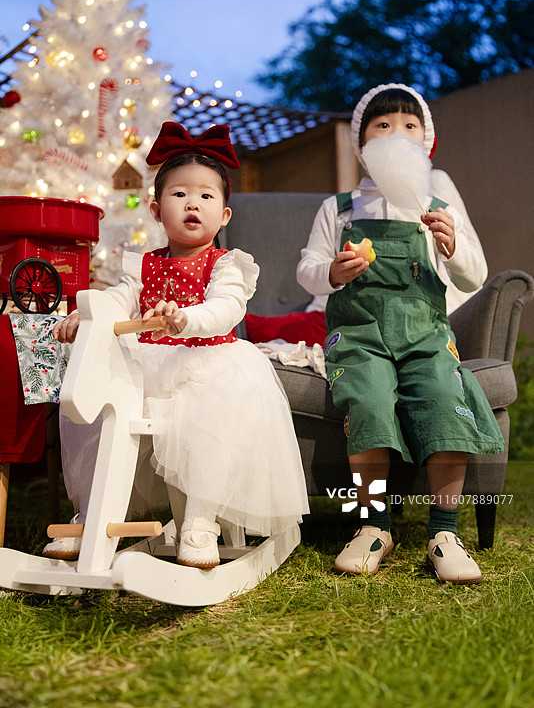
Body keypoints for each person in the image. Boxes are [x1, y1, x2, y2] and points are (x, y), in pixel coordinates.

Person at [45, 122, 309, 568]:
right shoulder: (144, 265)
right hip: (146, 363)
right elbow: (117, 298)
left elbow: (227, 309)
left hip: (208, 361)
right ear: (155, 208)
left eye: (207, 196)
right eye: (180, 194)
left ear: (224, 215)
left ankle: (201, 521)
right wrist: (85, 315)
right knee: (94, 402)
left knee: (208, 409)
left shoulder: (225, 264)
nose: (193, 203)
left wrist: (187, 319)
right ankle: (91, 515)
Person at [296, 83, 504, 584]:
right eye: (383, 125)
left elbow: (475, 276)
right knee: (366, 401)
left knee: (440, 397)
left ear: (425, 143)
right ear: (363, 145)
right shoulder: (340, 208)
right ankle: (373, 527)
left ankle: (444, 531)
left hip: (425, 334)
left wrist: (452, 245)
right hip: (359, 334)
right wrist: (333, 272)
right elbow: (306, 270)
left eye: (410, 125)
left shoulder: (435, 206)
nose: (397, 133)